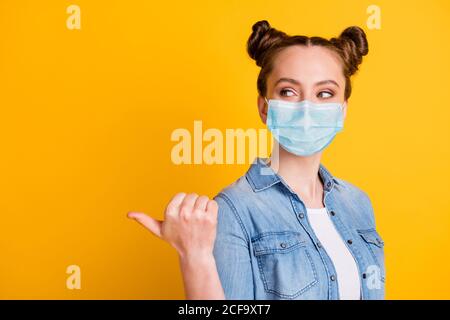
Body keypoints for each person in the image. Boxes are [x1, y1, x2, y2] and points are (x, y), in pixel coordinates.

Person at [128, 20, 385, 300]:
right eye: (288, 91)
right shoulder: (234, 209)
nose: (307, 108)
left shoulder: (358, 204)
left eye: (325, 93)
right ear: (264, 107)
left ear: (342, 110)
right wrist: (195, 256)